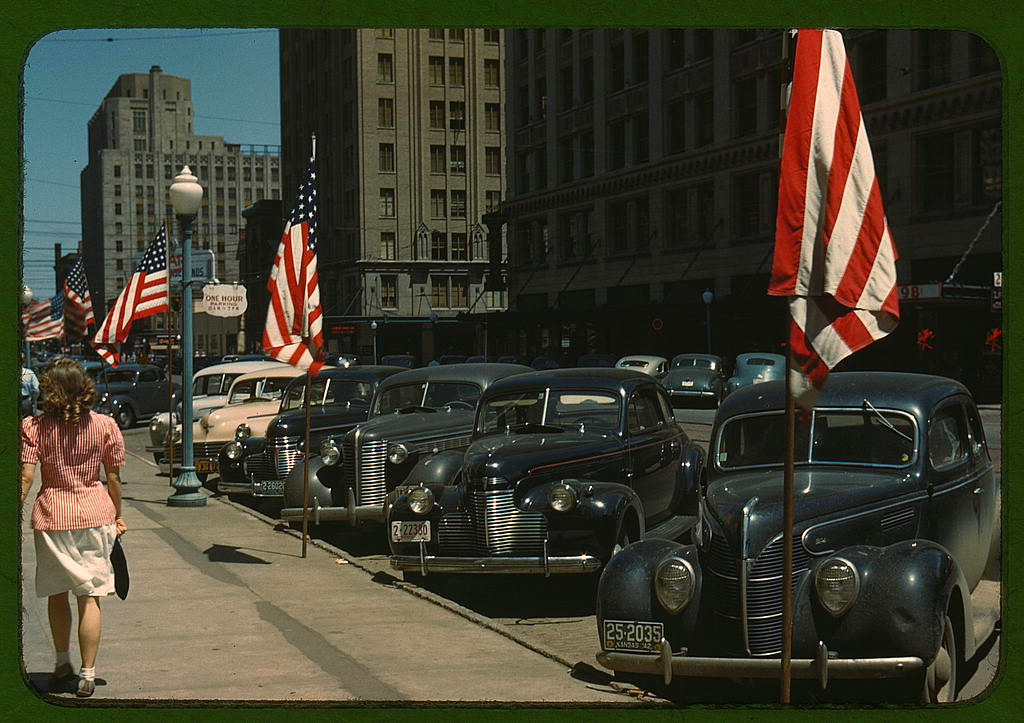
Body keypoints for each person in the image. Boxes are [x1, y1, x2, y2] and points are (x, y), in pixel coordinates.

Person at [19, 358, 127, 698]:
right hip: (95, 515)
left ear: (50, 390)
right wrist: (117, 515)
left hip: (52, 516)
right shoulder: (105, 425)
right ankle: (88, 674)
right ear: (85, 389)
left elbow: (26, 476)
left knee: (57, 593)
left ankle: (61, 663)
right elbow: (113, 478)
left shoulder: (34, 427)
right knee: (90, 597)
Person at [20, 352, 39, 418]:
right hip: (26, 402)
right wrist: (32, 400)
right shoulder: (29, 373)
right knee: (28, 425)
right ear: (23, 361)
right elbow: (36, 390)